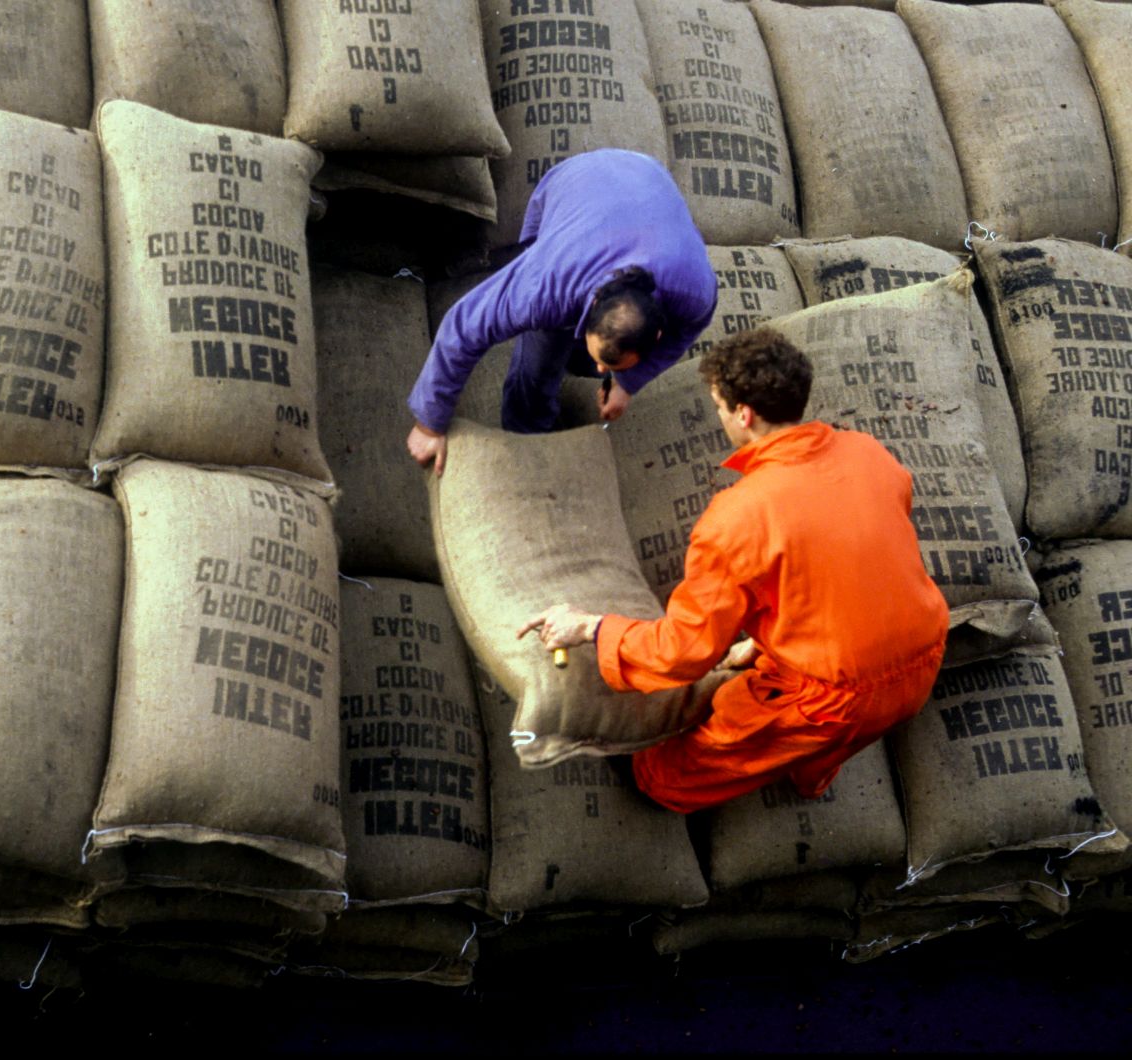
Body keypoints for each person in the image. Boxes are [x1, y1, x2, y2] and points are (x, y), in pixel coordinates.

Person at [515, 329, 949, 813]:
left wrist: (591, 627)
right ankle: (810, 766)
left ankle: (795, 747)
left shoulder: (737, 518)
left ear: (743, 414)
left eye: (719, 407)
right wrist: (762, 642)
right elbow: (848, 561)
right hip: (925, 658)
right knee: (803, 722)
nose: (720, 417)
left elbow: (684, 653)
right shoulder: (868, 451)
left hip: (830, 702)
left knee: (661, 778)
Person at [407, 149, 717, 474]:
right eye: (601, 358)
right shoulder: (547, 287)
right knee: (538, 366)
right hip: (576, 180)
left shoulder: (694, 292)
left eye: (607, 363)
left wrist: (627, 382)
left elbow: (685, 332)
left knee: (588, 360)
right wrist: (430, 424)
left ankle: (585, 354)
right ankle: (527, 440)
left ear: (657, 333)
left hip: (646, 176)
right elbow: (463, 325)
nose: (601, 368)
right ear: (594, 303)